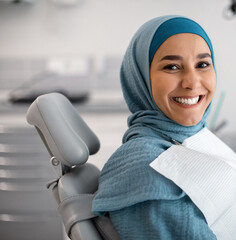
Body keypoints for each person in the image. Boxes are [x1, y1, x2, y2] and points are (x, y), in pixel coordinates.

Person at [92, 15, 218, 239]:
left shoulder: (190, 142)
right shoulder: (149, 167)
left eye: (202, 64)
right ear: (140, 78)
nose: (191, 82)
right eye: (172, 66)